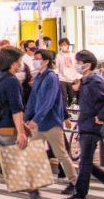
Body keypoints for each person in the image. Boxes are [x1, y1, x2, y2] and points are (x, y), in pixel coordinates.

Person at [0, 45, 60, 199]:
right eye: (20, 60)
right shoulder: (11, 81)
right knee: (25, 163)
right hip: (9, 130)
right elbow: (16, 109)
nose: (21, 63)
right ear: (13, 62)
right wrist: (21, 132)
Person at [63, 50, 104, 199]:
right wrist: (77, 90)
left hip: (92, 126)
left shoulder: (95, 81)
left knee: (85, 163)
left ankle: (80, 195)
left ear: (87, 64)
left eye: (79, 62)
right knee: (87, 162)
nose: (77, 65)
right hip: (86, 124)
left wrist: (101, 118)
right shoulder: (85, 81)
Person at [24, 47, 76, 189]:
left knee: (61, 154)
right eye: (34, 59)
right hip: (38, 123)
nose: (34, 61)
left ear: (46, 61)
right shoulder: (38, 78)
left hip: (51, 122)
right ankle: (35, 180)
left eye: (37, 58)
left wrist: (35, 119)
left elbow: (48, 101)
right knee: (34, 152)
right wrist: (28, 118)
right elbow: (33, 100)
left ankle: (74, 181)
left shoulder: (51, 77)